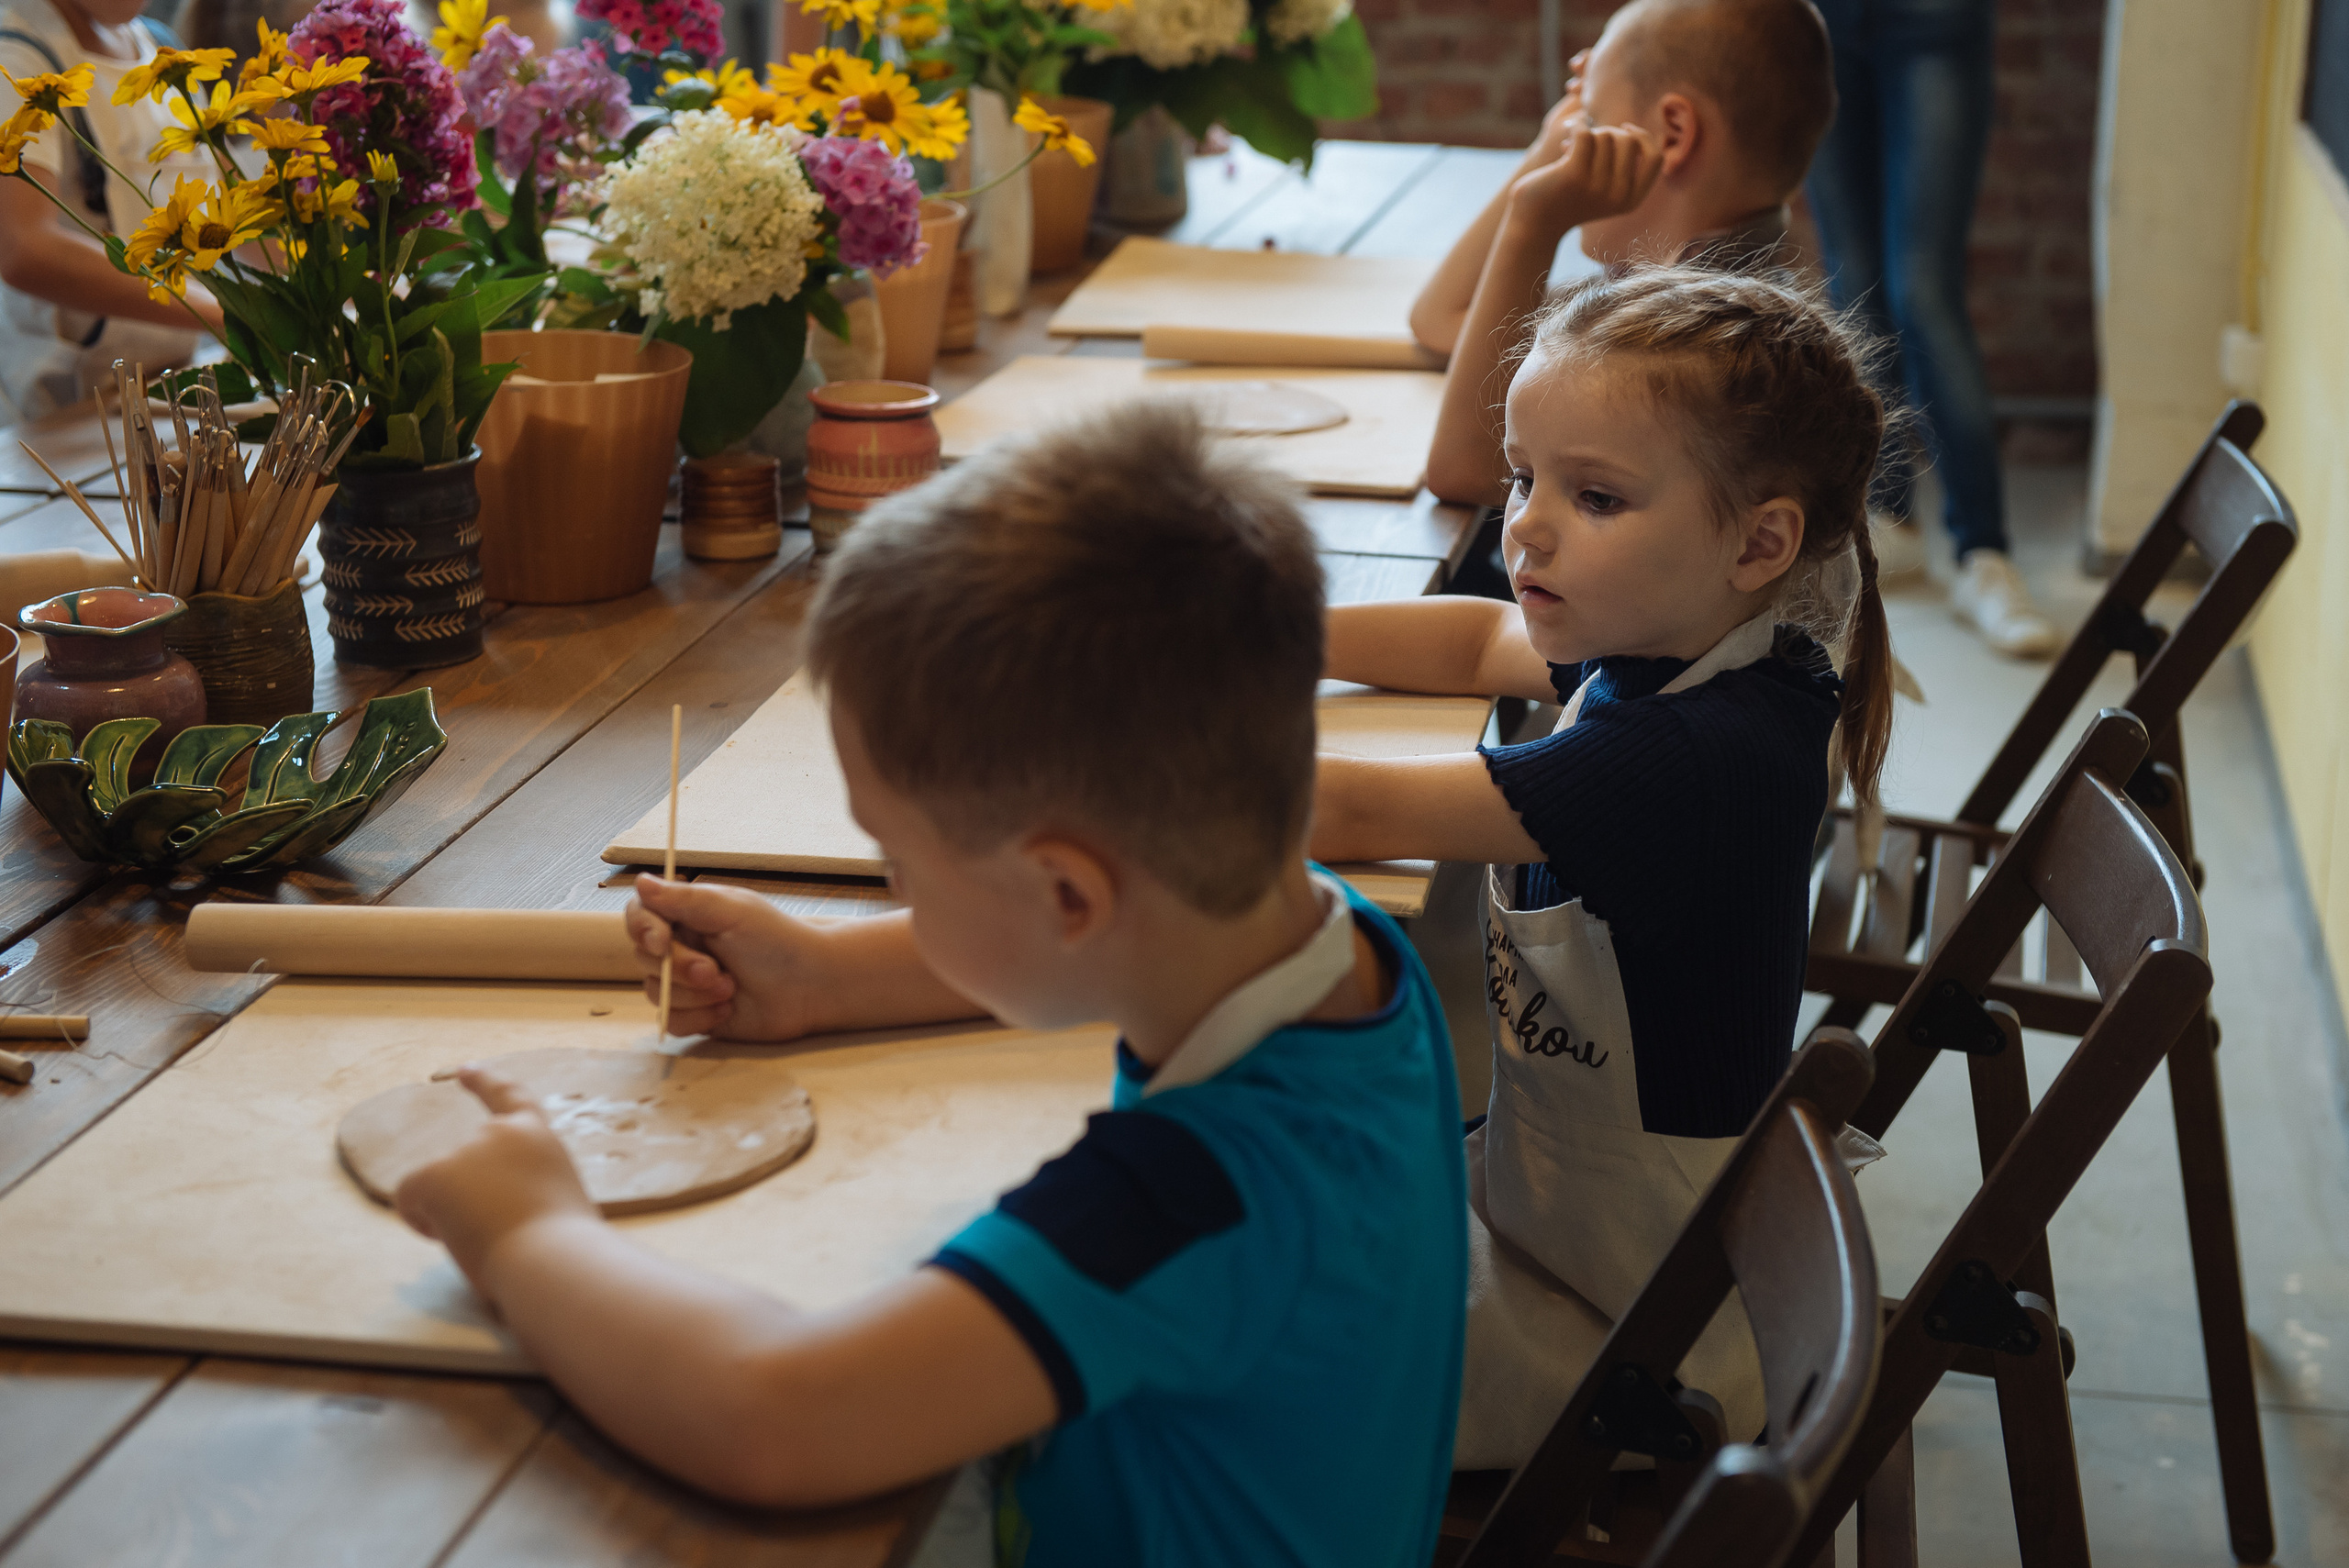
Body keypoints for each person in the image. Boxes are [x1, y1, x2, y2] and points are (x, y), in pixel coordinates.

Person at [393, 402, 1470, 1567]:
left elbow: (775, 1417)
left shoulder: (1176, 1203)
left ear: (1066, 896)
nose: (893, 885)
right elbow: (1107, 938)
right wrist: (824, 974)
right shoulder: (1335, 942)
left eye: (898, 862)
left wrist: (526, 1229)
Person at [1311, 266, 1893, 1468]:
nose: (1526, 521)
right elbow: (1479, 634)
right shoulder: (1682, 638)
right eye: (1527, 476)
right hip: (1559, 1220)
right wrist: (1273, 634)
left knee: (1235, 1336)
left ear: (1759, 541)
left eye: (1596, 495)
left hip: (1635, 1327)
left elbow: (1350, 805)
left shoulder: (1689, 756)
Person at [1415, 0, 1836, 506]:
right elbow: (1439, 320)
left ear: (1673, 134)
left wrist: (1534, 218)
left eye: (1589, 117)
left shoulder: (1681, 342)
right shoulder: (1696, 276)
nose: (1571, 136)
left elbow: (1465, 471)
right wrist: (1548, 149)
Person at [1806, 0, 2058, 658]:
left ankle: (1985, 552)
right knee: (1854, 289)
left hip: (1933, 15)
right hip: (1817, 22)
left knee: (1923, 290)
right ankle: (1891, 517)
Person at [0, 0, 223, 423]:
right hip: (75, 408)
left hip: (176, 378)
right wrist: (223, 314)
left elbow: (222, 198)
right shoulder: (20, 56)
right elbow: (24, 247)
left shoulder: (160, 48)